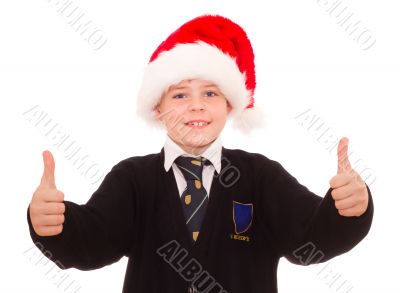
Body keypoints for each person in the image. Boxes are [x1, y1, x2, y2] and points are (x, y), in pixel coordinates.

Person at [27, 14, 373, 293]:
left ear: (229, 105)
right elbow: (92, 241)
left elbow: (308, 239)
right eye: (179, 95)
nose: (196, 106)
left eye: (210, 94)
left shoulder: (261, 176)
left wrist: (346, 211)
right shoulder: (133, 179)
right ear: (157, 108)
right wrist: (54, 226)